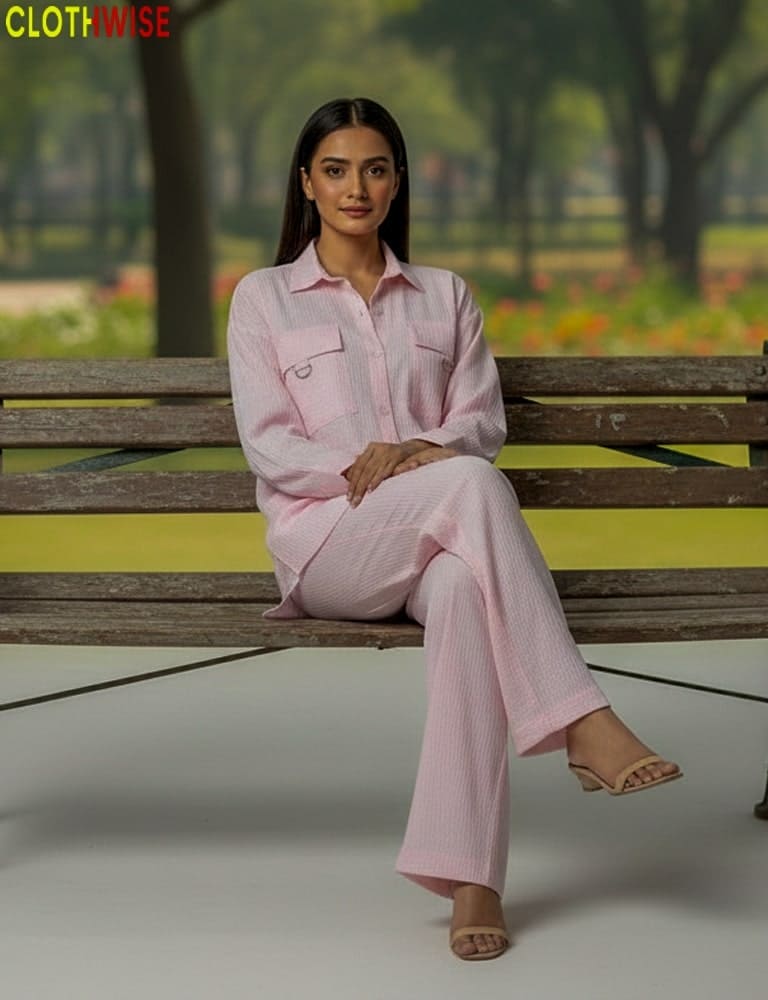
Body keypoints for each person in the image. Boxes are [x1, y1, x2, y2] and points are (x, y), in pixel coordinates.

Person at [226, 97, 682, 962]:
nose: (355, 187)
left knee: (471, 590)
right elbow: (271, 444)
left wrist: (414, 453)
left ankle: (472, 876)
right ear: (306, 184)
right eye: (335, 169)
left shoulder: (446, 297)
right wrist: (380, 465)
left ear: (396, 183)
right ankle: (580, 719)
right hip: (330, 547)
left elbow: (479, 423)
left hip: (437, 539)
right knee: (468, 483)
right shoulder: (264, 301)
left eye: (374, 168)